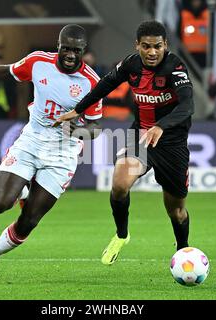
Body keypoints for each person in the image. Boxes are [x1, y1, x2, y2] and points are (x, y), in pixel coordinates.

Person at [0, 24, 102, 280]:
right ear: (58, 46)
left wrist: (75, 130)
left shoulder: (92, 82)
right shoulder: (38, 62)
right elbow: (3, 72)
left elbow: (95, 128)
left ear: (83, 51)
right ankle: (24, 190)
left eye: (75, 50)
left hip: (62, 153)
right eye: (65, 48)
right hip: (31, 141)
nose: (70, 55)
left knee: (30, 220)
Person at [55, 21, 194, 265]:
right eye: (146, 46)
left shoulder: (175, 68)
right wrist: (79, 109)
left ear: (166, 46)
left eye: (158, 47)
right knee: (120, 183)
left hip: (172, 143)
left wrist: (161, 126)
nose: (152, 52)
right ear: (137, 45)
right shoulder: (131, 64)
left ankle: (183, 250)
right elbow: (106, 85)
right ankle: (122, 235)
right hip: (140, 135)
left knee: (176, 210)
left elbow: (187, 106)